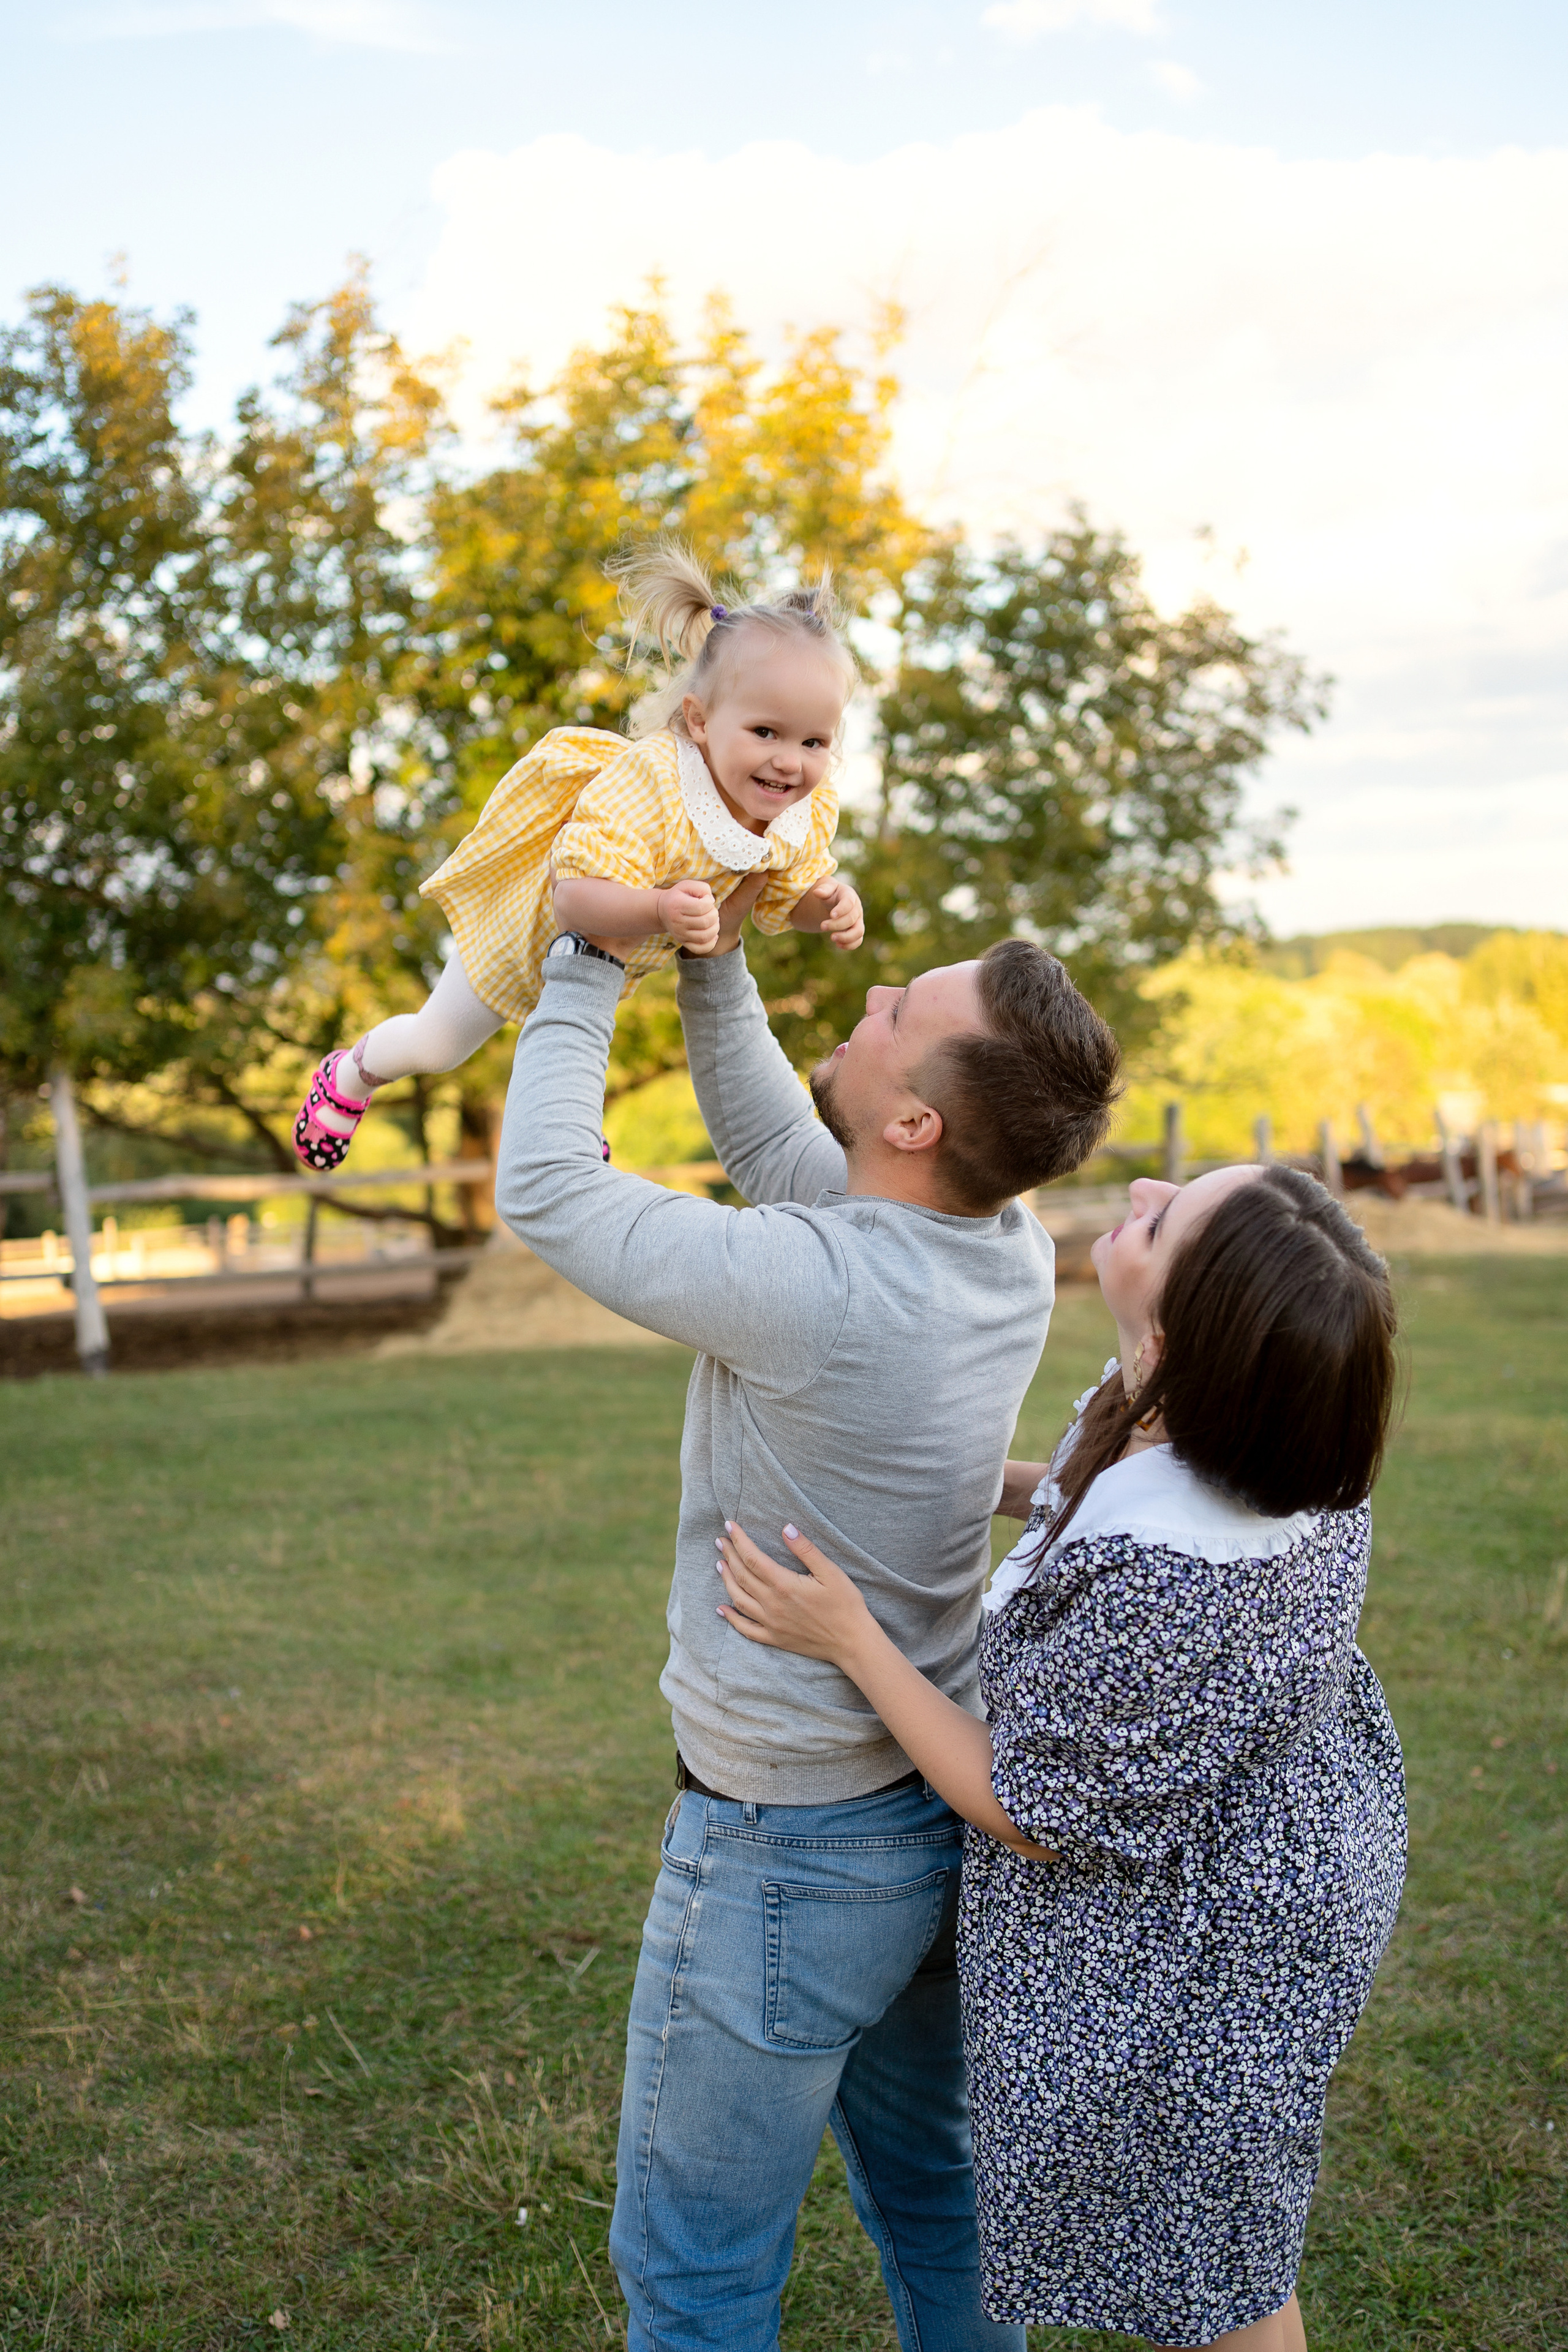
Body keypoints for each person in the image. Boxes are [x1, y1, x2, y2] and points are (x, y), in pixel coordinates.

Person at [493, 897, 1122, 2350]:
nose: (883, 984)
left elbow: (543, 1190)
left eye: (905, 1006)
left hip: (781, 1845)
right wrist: (709, 952)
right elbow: (792, 1157)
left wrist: (589, 951)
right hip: (924, 1814)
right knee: (936, 2201)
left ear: (911, 1122)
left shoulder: (816, 1286)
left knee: (698, 2265)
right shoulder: (999, 1244)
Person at [716, 1163, 1406, 2352]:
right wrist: (985, 1486)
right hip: (1264, 1829)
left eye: (1161, 1216)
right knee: (1211, 2239)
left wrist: (851, 1642)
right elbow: (1107, 1495)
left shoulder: (1170, 1596)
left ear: (1167, 1339)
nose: (1139, 1185)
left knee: (1218, 2264)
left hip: (1214, 1951)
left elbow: (1028, 1807)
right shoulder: (1233, 1415)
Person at [290, 542, 864, 1172]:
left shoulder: (799, 812)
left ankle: (562, 1120)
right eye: (765, 732)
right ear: (699, 721)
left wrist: (828, 906)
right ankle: (350, 1074)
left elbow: (782, 899)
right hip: (522, 943)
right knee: (438, 1046)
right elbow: (574, 899)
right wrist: (658, 907)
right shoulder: (651, 785)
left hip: (607, 968)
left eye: (814, 741)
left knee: (585, 1037)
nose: (790, 760)